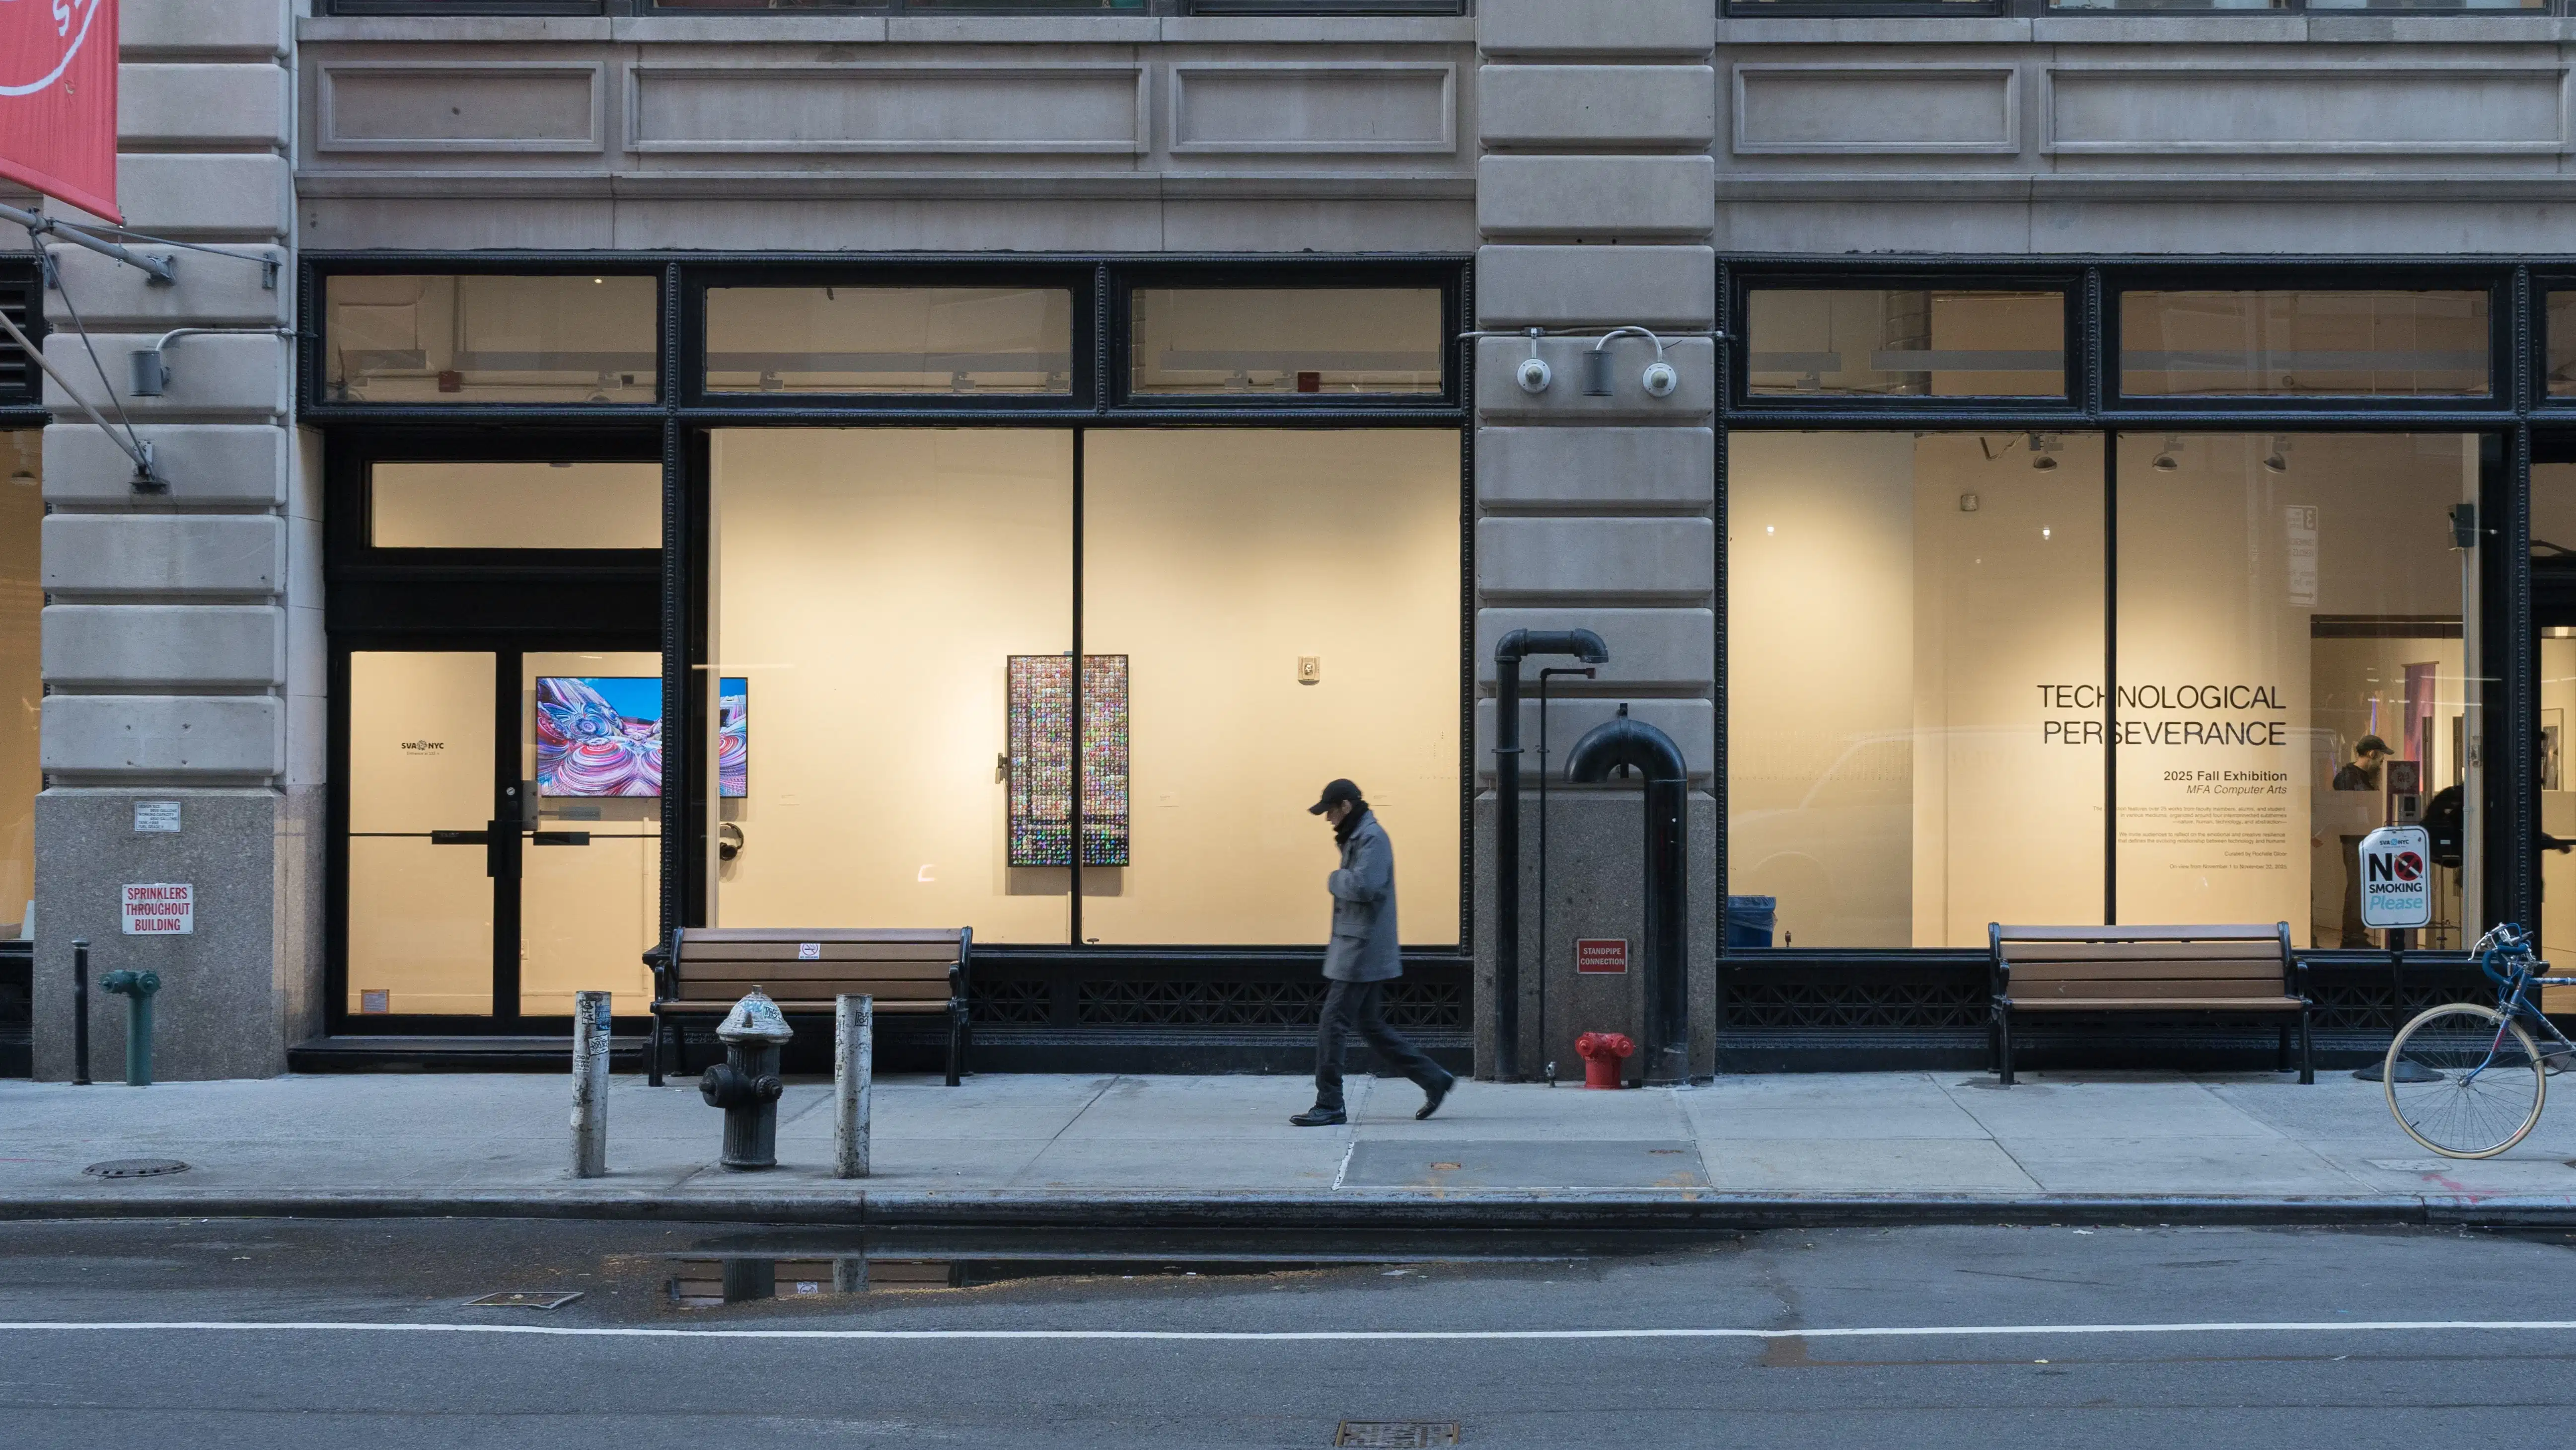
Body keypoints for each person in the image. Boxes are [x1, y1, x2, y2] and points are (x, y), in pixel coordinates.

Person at [1290, 778, 1457, 1128]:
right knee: (1370, 1025)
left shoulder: (1372, 837)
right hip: (1358, 945)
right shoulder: (1359, 835)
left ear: (1346, 806)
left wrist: (1334, 878)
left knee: (1332, 1023)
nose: (1328, 818)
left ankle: (1330, 1102)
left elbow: (1365, 885)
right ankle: (1434, 1078)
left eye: (1330, 810)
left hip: (1361, 951)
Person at [2332, 736, 2393, 946]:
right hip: (2355, 840)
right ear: (2372, 754)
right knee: (2357, 887)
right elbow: (2352, 811)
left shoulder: (2362, 777)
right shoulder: (2348, 778)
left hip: (2365, 840)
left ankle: (2356, 935)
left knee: (2363, 887)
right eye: (2382, 756)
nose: (2382, 762)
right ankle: (2353, 937)